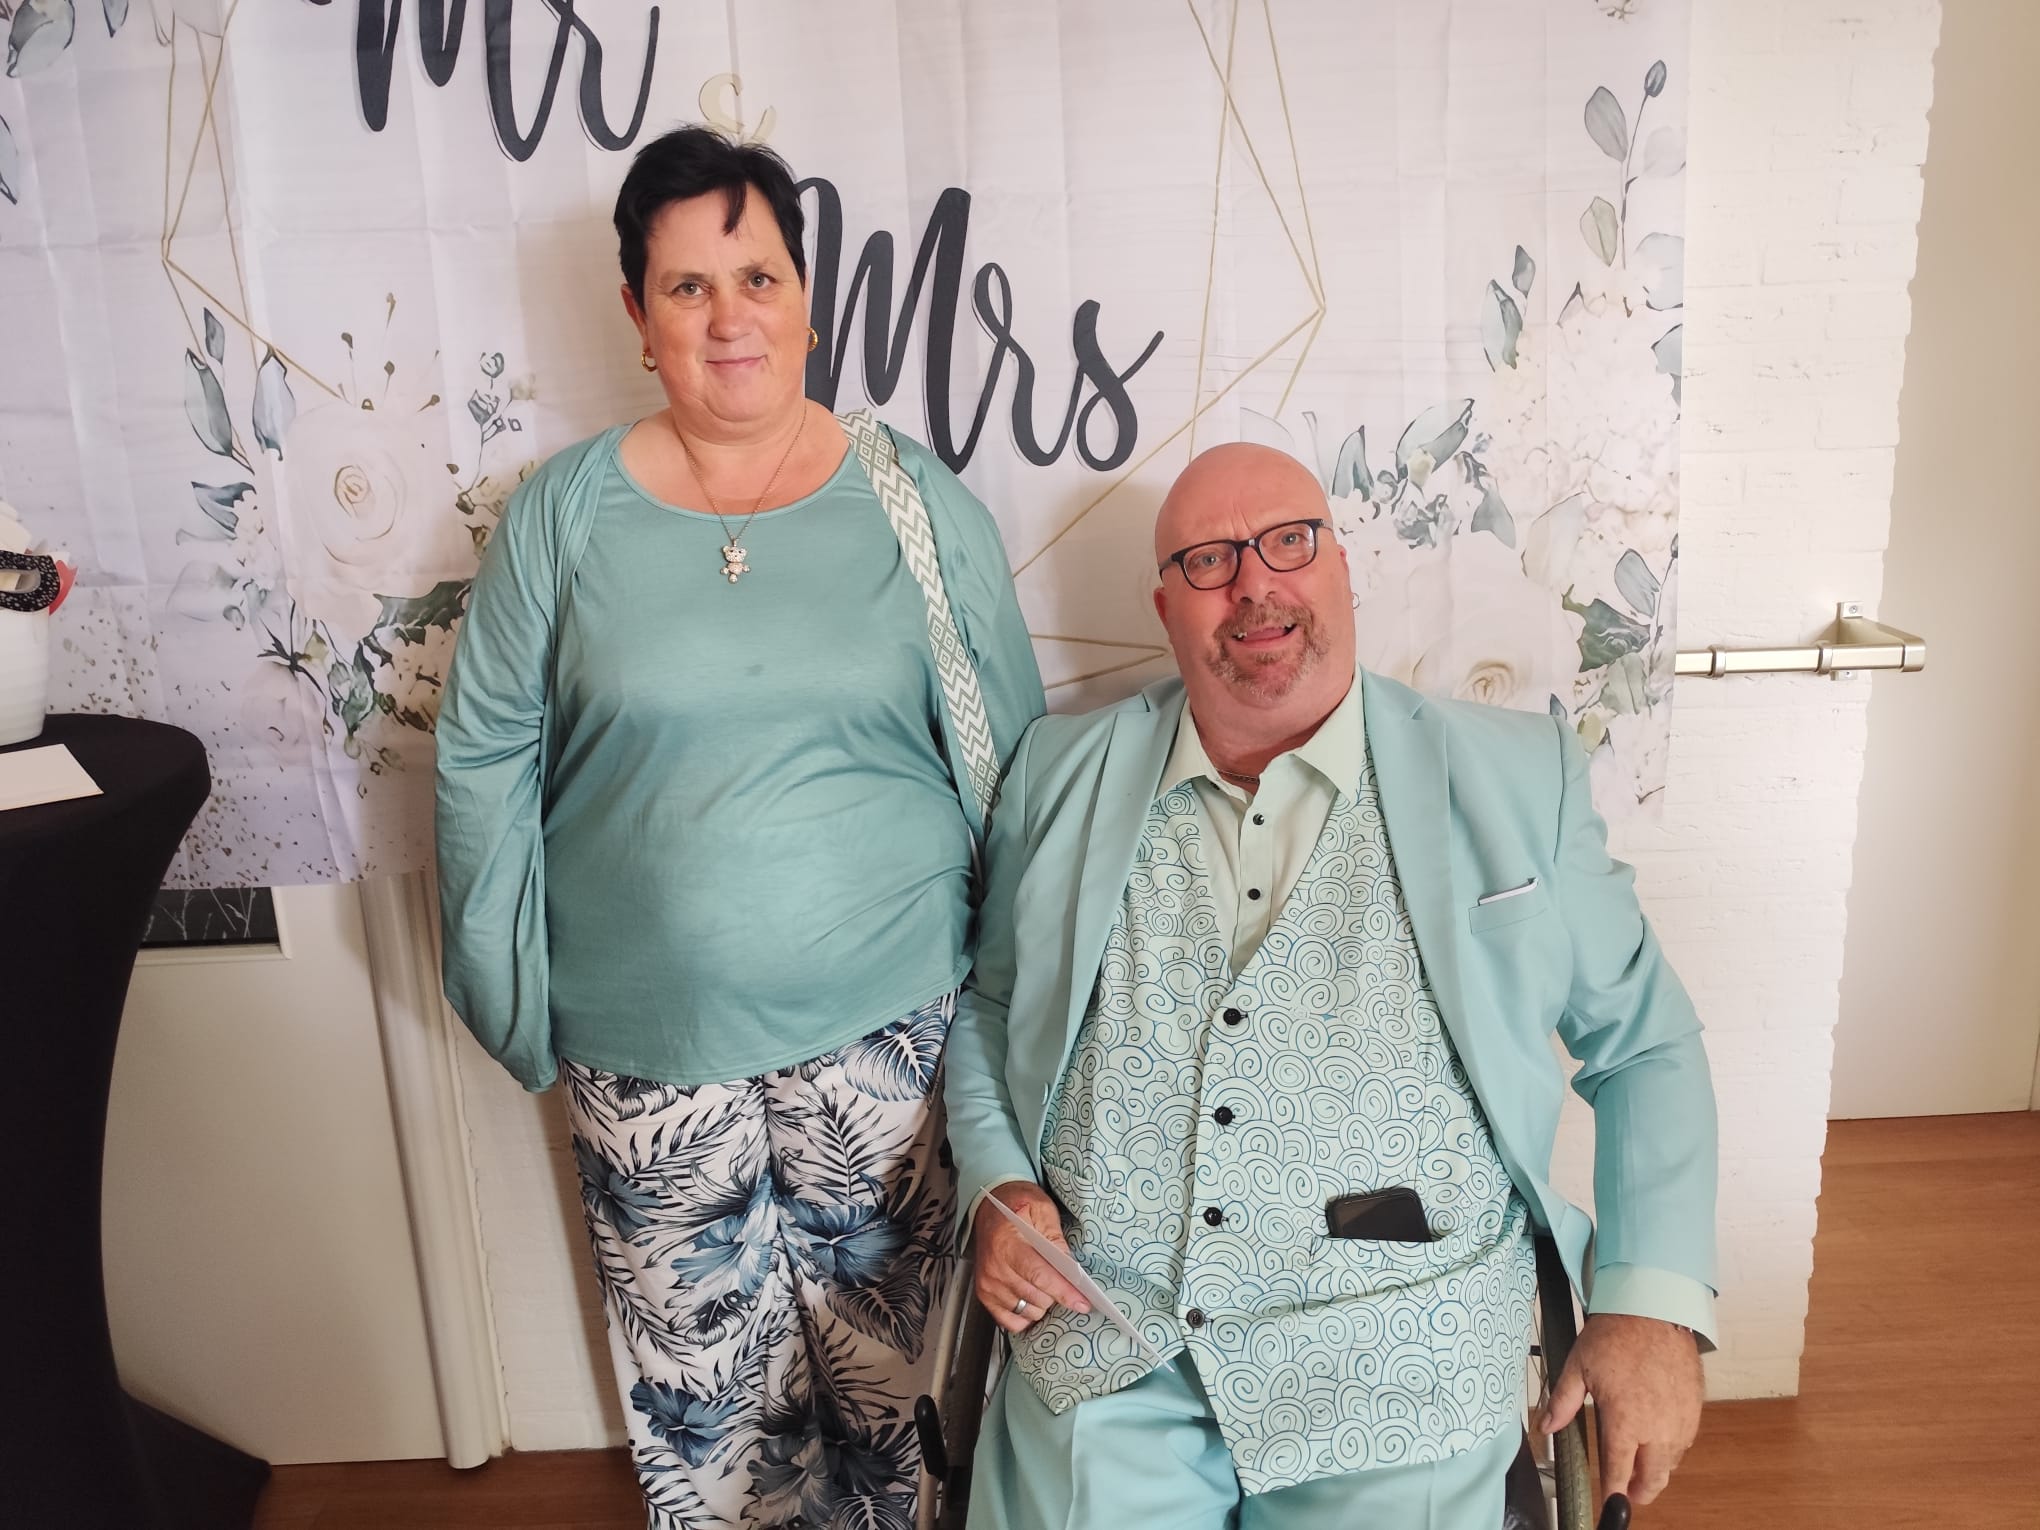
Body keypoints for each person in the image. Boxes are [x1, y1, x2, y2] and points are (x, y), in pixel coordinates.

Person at [434, 125, 1045, 1528]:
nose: (729, 317)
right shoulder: (561, 515)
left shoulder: (913, 503)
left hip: (892, 1040)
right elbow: (480, 762)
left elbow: (1012, 766)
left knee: (905, 1408)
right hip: (647, 1060)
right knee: (715, 1430)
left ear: (806, 299)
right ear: (638, 314)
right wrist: (510, 1001)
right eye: (688, 286)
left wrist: (1016, 1016)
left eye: (757, 277)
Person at [945, 442, 1715, 1529]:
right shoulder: (1056, 773)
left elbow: (1645, 1045)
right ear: (1166, 605)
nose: (1255, 585)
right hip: (1112, 1344)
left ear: (1343, 568)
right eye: (1209, 561)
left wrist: (1650, 1306)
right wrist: (996, 1186)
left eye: (1289, 543)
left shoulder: (1517, 775)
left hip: (1404, 1355)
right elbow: (989, 1011)